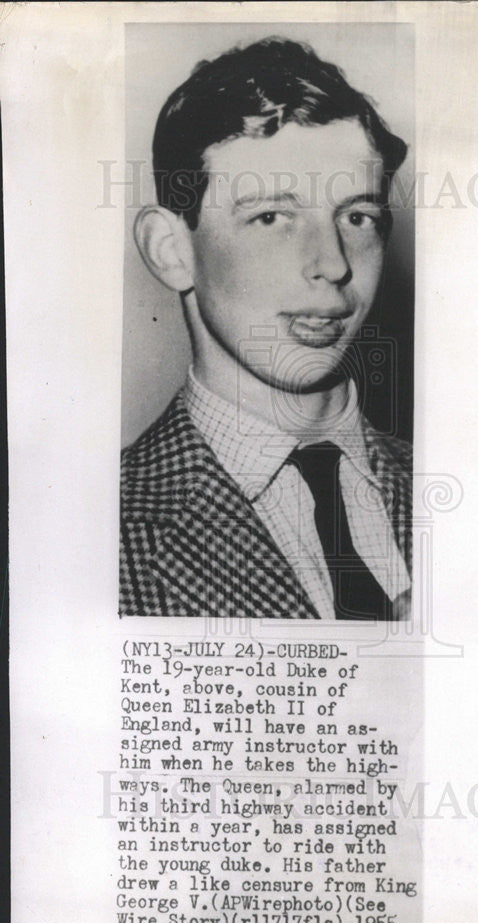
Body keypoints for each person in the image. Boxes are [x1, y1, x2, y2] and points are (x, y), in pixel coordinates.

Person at [119, 36, 412, 620]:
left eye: (358, 216)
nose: (332, 264)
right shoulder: (93, 538)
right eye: (272, 217)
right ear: (171, 250)